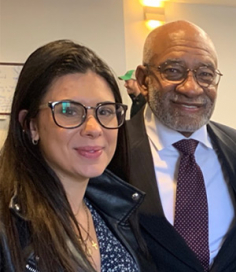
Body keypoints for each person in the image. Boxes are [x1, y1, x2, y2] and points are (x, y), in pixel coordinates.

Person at [109, 20, 236, 272]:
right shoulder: (110, 152)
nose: (191, 88)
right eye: (173, 71)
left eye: (205, 74)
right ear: (143, 80)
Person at [0, 40, 154, 271]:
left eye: (104, 111)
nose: (93, 128)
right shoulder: (8, 226)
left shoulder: (110, 208)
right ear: (31, 125)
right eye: (69, 111)